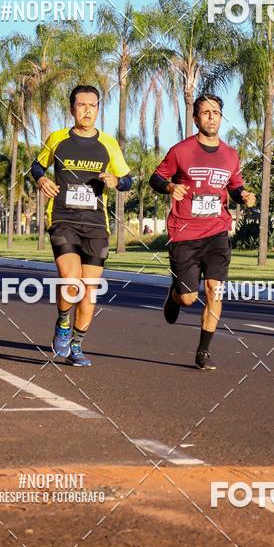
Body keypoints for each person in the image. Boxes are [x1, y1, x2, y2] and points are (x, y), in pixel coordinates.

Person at [149, 94, 256, 370]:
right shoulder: (180, 151)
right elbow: (156, 178)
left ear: (221, 117)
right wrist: (170, 187)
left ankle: (203, 351)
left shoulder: (230, 155)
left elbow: (234, 186)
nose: (211, 117)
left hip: (217, 231)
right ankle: (175, 295)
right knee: (188, 298)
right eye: (206, 113)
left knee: (214, 290)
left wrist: (243, 195)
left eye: (216, 112)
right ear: (196, 119)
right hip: (184, 232)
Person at [31, 85, 132, 367]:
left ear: (98, 109)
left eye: (93, 105)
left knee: (89, 291)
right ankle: (63, 322)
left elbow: (127, 180)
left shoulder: (108, 144)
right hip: (63, 218)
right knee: (71, 281)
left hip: (96, 225)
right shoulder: (58, 139)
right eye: (82, 105)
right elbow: (37, 166)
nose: (87, 110)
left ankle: (76, 344)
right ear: (71, 109)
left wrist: (115, 181)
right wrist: (42, 179)